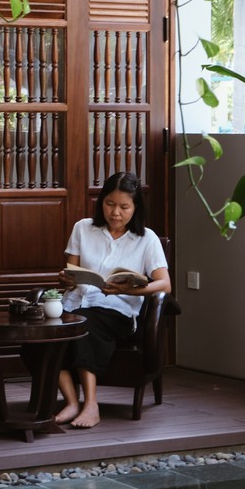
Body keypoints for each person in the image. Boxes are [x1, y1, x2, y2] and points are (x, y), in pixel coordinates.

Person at [55, 171, 171, 429]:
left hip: (116, 311)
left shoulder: (147, 239)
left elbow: (165, 284)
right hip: (75, 303)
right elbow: (71, 273)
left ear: (136, 207)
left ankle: (91, 405)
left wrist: (128, 290)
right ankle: (71, 402)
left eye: (124, 207)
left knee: (86, 326)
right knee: (46, 332)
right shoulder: (83, 228)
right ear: (101, 203)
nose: (115, 212)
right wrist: (67, 279)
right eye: (109, 204)